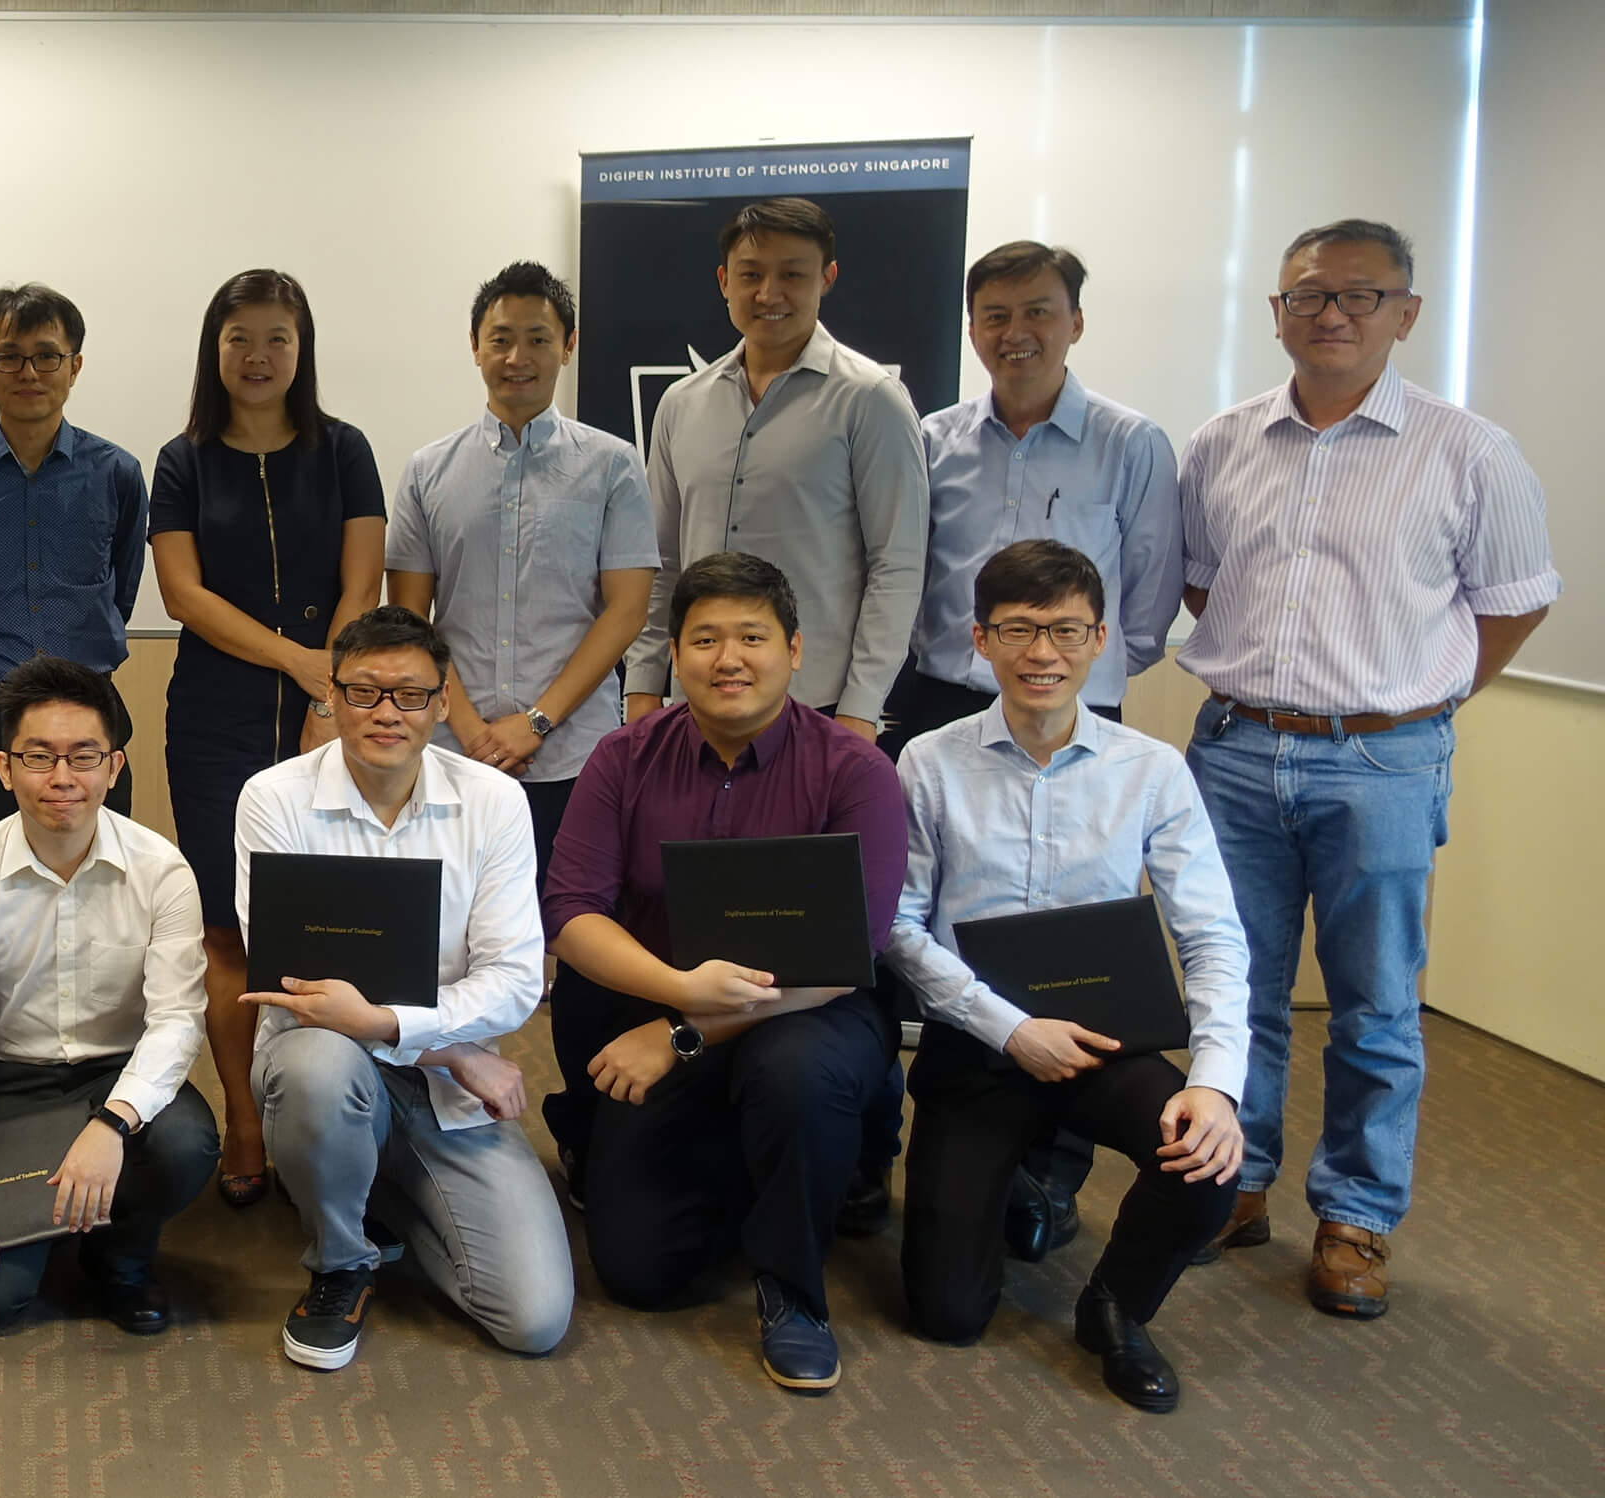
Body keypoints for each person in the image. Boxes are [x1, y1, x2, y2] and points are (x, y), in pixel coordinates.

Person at [1176, 218, 1559, 1319]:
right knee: (1231, 987)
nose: (1331, 314)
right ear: (1276, 312)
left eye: (1358, 294)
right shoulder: (1220, 442)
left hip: (1382, 762)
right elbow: (1207, 584)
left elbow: (1514, 599)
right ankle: (1235, 1180)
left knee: (1374, 1006)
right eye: (1307, 296)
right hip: (1237, 750)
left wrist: (1418, 699)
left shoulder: (1467, 451)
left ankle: (1354, 1217)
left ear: (1406, 313)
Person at [888, 540, 1248, 1413]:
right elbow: (897, 926)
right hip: (977, 1047)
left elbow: (1214, 938)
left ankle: (1115, 1308)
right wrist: (1010, 1028)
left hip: (1104, 1044)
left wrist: (1218, 1084)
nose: (1041, 652)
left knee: (1205, 1162)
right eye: (1017, 629)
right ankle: (1023, 1173)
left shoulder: (1151, 769)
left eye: (1065, 630)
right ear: (979, 638)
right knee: (947, 1314)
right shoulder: (929, 762)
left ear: (1099, 641)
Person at [884, 240, 1184, 1260]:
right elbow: (908, 573)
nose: (1015, 332)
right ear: (970, 329)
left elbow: (1141, 606)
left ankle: (1045, 1176)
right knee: (917, 923)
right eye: (994, 315)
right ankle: (929, 1137)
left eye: (1037, 311)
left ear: (1074, 321)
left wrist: (1064, 670)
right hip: (937, 701)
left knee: (1069, 956)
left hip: (1069, 707)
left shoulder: (1129, 443)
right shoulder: (926, 440)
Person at [547, 553, 903, 1394]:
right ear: (675, 653)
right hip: (659, 1004)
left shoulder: (854, 771)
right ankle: (761, 1168)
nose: (728, 658)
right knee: (638, 1274)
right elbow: (571, 912)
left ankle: (793, 1291)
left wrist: (686, 1031)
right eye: (705, 638)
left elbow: (854, 952)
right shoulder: (624, 758)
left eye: (752, 636)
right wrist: (677, 993)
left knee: (796, 1073)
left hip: (806, 1010)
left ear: (795, 649)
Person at [235, 606, 571, 1371]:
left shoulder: (493, 801)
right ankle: (342, 1258)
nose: (387, 712)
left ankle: (369, 1184)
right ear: (334, 694)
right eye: (364, 692)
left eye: (411, 694)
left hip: (445, 1091)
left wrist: (405, 1034)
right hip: (329, 1063)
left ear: (442, 701)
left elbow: (517, 979)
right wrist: (453, 1050)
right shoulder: (275, 799)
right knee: (318, 1065)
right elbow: (289, 983)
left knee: (533, 1317)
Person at [384, 261, 658, 1190]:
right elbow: (413, 617)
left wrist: (536, 721)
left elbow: (623, 609)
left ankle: (587, 1133)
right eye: (500, 336)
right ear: (475, 347)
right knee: (444, 944)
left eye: (539, 336)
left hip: (576, 752)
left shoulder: (613, 463)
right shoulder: (429, 469)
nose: (518, 354)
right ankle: (431, 1117)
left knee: (581, 946)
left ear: (567, 346)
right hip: (454, 754)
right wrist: (467, 724)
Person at [148, 268, 386, 1210]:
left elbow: (361, 579)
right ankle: (245, 1117)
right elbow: (182, 596)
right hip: (215, 714)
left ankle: (327, 1112)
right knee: (226, 929)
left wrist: (331, 685)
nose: (258, 356)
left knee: (327, 920)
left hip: (336, 712)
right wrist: (301, 662)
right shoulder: (183, 458)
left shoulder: (345, 449)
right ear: (214, 348)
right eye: (239, 337)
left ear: (303, 348)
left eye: (277, 338)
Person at [0, 657, 220, 1336]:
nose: (62, 778)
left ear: (113, 767)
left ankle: (122, 1260)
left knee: (185, 1144)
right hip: (14, 1082)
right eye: (39, 757)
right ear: (4, 768)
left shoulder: (161, 871)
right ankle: (53, 1218)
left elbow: (176, 1021)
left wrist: (112, 1124)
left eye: (84, 756)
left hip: (116, 1075)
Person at [623, 197, 927, 741]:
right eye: (751, 275)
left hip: (819, 707)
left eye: (792, 274)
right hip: (695, 702)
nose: (769, 294)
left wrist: (860, 708)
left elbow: (897, 567)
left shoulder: (871, 400)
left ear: (827, 277)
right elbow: (662, 561)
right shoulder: (681, 403)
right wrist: (644, 684)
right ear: (723, 280)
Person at [0, 283, 149, 845]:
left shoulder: (117, 471)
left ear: (75, 366)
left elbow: (123, 582)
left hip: (88, 705)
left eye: (47, 356)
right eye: (9, 356)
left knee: (99, 883)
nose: (29, 372)